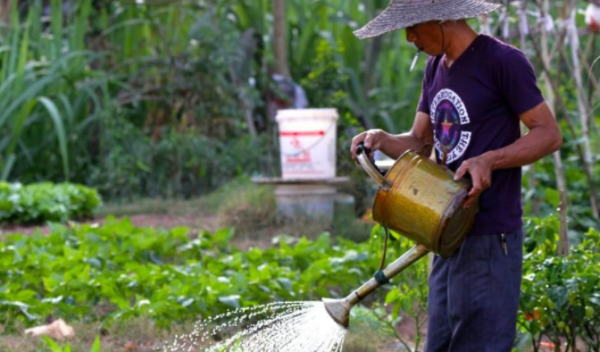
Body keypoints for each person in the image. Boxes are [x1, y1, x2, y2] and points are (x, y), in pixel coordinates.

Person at [349, 1, 563, 351]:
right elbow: (420, 140)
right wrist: (382, 139)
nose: (409, 37)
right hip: (444, 231)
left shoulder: (502, 62)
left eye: (415, 26)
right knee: (443, 344)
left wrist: (489, 160)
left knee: (479, 343)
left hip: (490, 235)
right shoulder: (435, 67)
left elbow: (549, 134)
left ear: (446, 16)